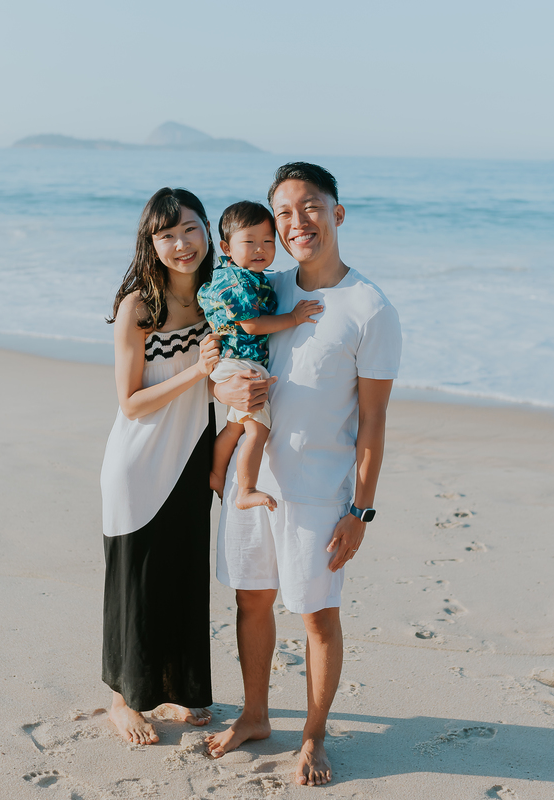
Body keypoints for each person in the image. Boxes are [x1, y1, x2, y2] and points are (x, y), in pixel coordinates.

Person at [205, 163, 402, 786]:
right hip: (254, 479)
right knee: (251, 601)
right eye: (283, 213)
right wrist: (217, 380)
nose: (297, 223)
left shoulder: (370, 308)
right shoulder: (266, 287)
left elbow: (373, 421)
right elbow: (223, 354)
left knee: (316, 616)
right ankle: (255, 715)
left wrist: (360, 510)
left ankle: (314, 735)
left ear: (336, 213)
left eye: (310, 206)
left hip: (319, 491)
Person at [99, 187, 223, 745]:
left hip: (192, 453)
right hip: (139, 461)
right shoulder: (139, 307)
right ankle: (123, 700)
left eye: (190, 229)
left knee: (183, 574)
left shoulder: (218, 297)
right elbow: (130, 402)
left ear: (207, 231)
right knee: (137, 580)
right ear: (151, 243)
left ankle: (173, 689)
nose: (181, 244)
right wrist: (197, 370)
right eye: (167, 235)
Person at [197, 200, 323, 510]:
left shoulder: (244, 276)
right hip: (240, 364)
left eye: (268, 241)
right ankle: (246, 490)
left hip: (232, 362)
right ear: (226, 247)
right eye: (249, 242)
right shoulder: (237, 280)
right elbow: (252, 325)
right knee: (258, 429)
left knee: (235, 427)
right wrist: (293, 318)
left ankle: (215, 474)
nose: (260, 249)